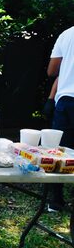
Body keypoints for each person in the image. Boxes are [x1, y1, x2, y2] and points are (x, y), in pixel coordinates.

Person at [44, 25, 74, 212]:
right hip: (64, 99)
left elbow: (52, 71)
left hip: (67, 101)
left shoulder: (67, 34)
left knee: (61, 152)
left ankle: (56, 201)